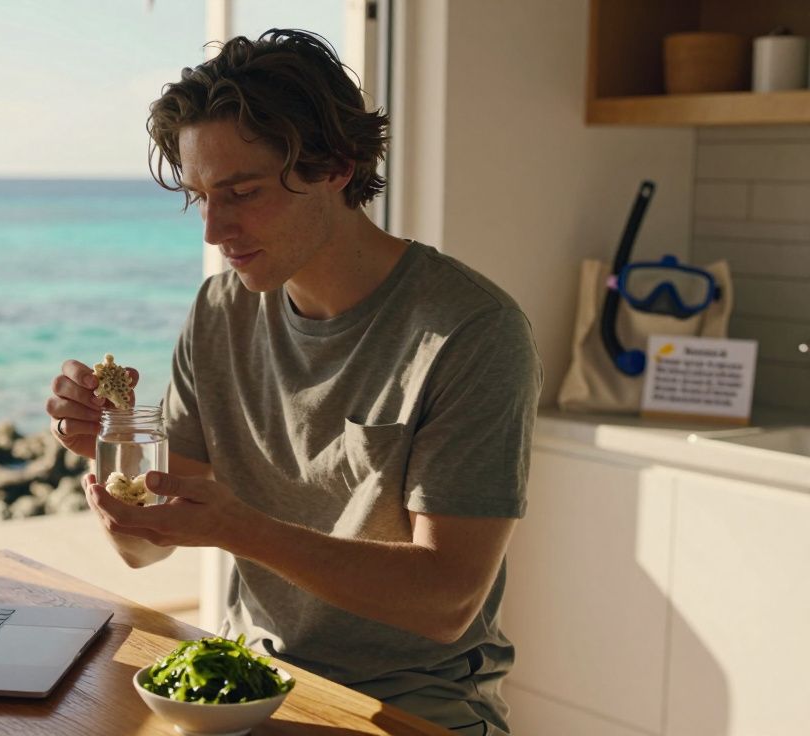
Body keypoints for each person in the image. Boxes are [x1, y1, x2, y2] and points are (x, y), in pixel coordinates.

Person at [45, 29, 540, 735]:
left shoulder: (471, 331)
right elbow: (145, 547)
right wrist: (110, 451)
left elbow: (447, 599)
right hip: (247, 684)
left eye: (242, 192)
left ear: (336, 166)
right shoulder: (220, 311)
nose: (214, 229)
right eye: (199, 197)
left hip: (414, 706)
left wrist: (239, 528)